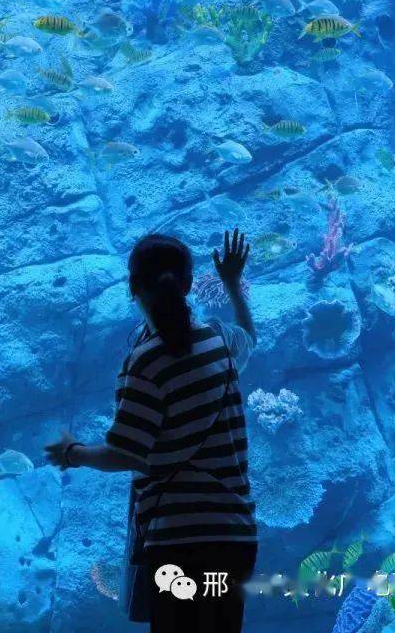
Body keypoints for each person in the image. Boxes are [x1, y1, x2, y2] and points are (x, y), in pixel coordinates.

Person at [45, 229, 258, 633]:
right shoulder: (219, 341)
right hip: (235, 536)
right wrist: (232, 284)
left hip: (181, 543)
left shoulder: (146, 363)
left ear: (133, 288)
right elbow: (249, 336)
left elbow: (125, 453)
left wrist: (74, 453)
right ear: (190, 284)